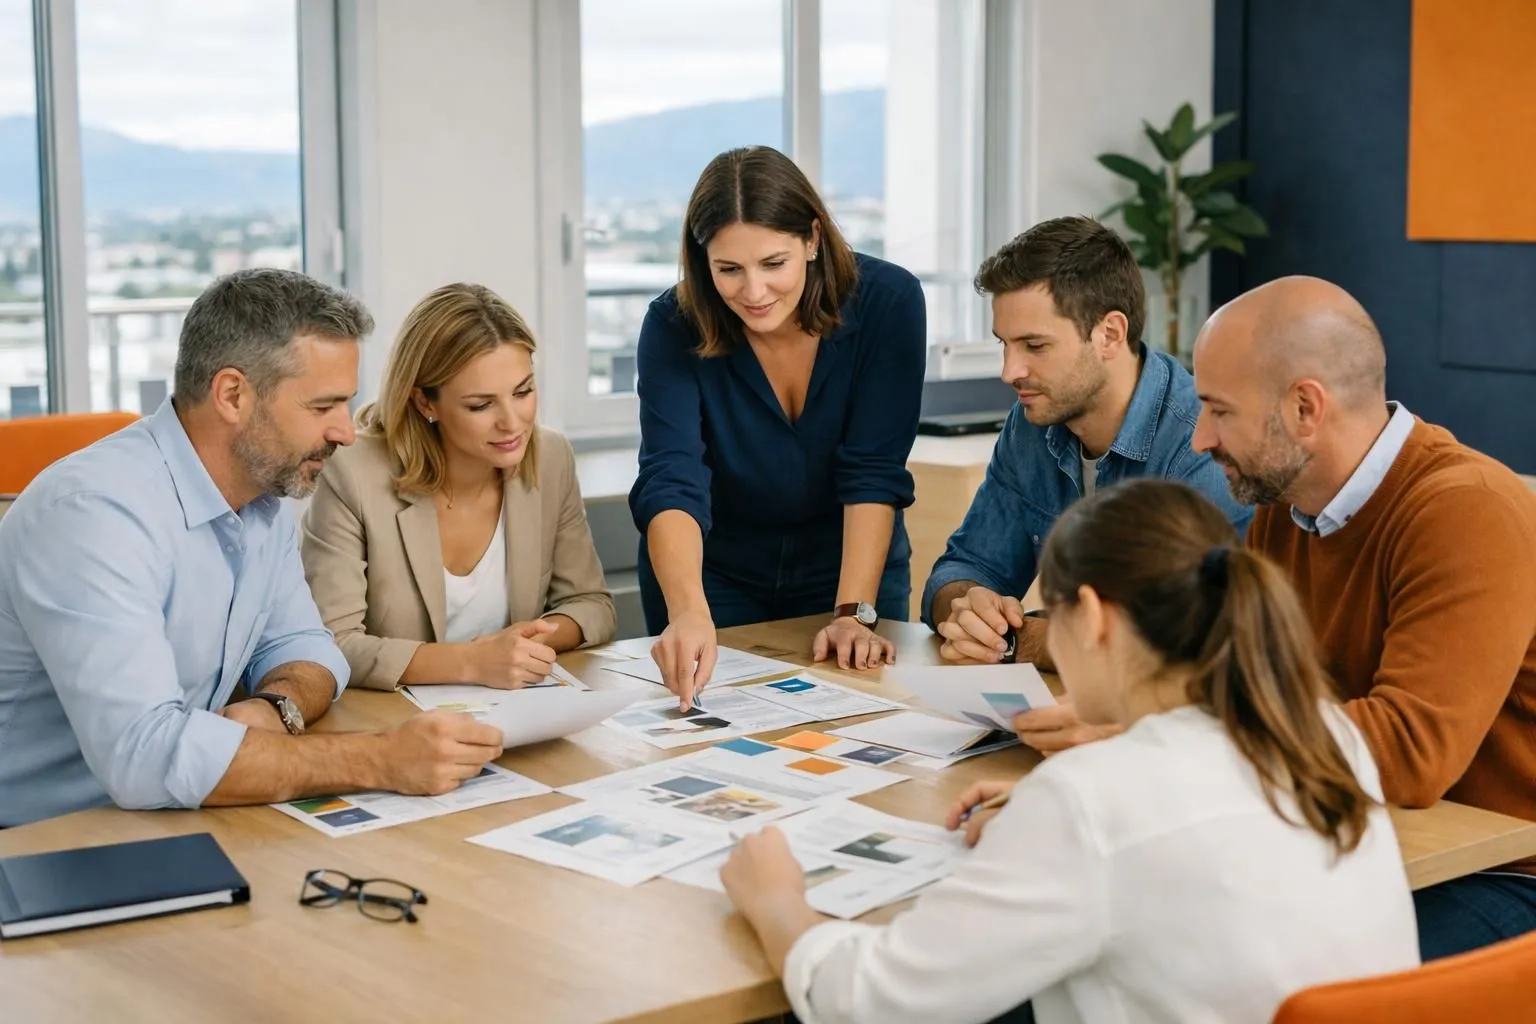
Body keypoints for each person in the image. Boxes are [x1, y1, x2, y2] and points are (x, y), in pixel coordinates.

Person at [720, 479, 1417, 1024]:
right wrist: (1046, 818)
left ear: (1091, 615)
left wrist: (777, 899)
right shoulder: (1327, 732)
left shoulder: (1092, 799)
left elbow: (866, 1001)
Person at [0, 269, 505, 828]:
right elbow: (144, 756)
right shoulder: (93, 514)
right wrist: (380, 759)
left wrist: (275, 708)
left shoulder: (261, 499)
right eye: (323, 407)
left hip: (178, 810)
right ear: (233, 395)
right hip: (42, 839)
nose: (346, 432)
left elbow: (309, 648)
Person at [1188, 275, 1536, 961]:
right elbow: (1240, 670)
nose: (1200, 438)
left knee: (1242, 968)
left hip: (1505, 876)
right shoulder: (1283, 507)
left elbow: (1410, 751)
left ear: (1305, 408)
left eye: (1218, 411)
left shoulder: (1466, 510)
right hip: (1369, 840)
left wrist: (1175, 744)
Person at [630, 145, 926, 709]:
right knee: (710, 737)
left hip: (847, 566)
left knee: (863, 726)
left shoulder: (890, 302)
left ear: (813, 239)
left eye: (773, 264)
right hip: (715, 572)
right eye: (728, 270)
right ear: (702, 259)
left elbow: (873, 471)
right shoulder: (672, 323)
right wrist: (689, 609)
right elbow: (671, 475)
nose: (754, 292)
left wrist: (852, 613)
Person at [923, 217, 1250, 698]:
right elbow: (966, 565)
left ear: (1110, 334)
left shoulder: (1200, 443)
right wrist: (967, 610)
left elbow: (1186, 643)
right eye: (1004, 345)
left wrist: (1023, 639)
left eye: (1034, 345)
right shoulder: (1032, 422)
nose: (1010, 371)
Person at [301, 282, 615, 691]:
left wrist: (521, 646)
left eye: (523, 392)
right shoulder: (352, 473)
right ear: (424, 403)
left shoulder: (550, 456)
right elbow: (331, 643)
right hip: (391, 722)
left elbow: (592, 606)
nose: (512, 422)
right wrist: (471, 661)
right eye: (481, 405)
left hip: (517, 712)